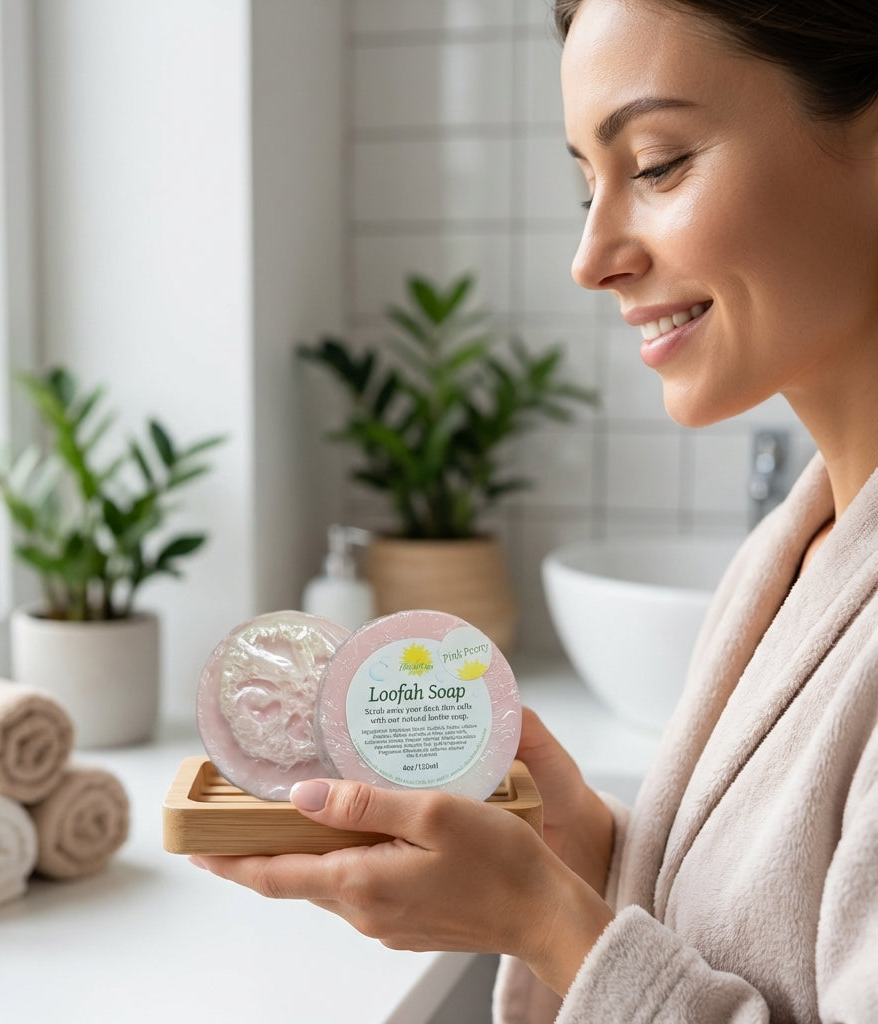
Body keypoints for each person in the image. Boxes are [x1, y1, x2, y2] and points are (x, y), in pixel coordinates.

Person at [190, 0, 878, 1018]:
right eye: (583, 182)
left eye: (654, 163)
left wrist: (546, 925)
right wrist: (588, 858)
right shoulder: (798, 548)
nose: (591, 255)